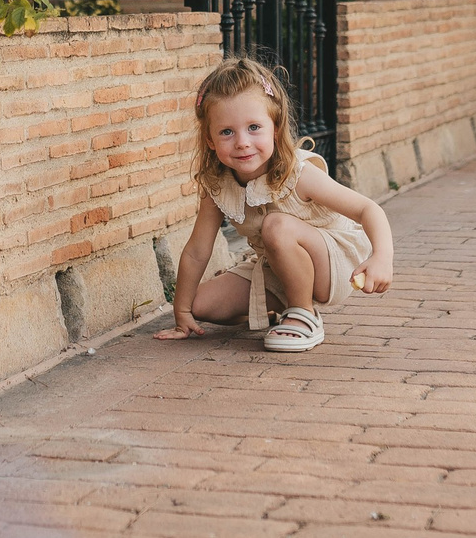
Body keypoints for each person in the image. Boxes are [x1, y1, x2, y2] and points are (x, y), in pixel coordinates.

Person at [154, 56, 394, 353]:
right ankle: (274, 310)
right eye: (227, 132)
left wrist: (382, 257)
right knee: (200, 305)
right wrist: (181, 312)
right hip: (277, 266)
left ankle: (304, 313)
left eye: (254, 127)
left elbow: (368, 209)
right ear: (211, 140)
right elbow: (196, 250)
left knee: (276, 225)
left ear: (275, 129)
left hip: (334, 265)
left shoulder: (299, 173)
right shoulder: (217, 184)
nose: (242, 142)